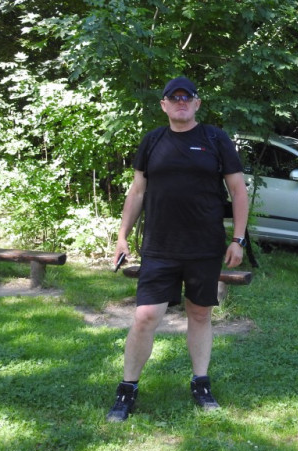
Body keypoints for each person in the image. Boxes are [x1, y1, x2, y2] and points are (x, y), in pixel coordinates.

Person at [107, 76, 249, 422]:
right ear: (164, 105)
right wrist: (122, 236)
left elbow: (238, 191)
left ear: (197, 104)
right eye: (175, 98)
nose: (181, 102)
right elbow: (137, 191)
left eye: (187, 98)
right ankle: (127, 389)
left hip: (204, 246)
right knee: (145, 316)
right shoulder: (153, 141)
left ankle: (201, 383)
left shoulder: (215, 139)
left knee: (199, 314)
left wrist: (238, 239)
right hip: (159, 246)